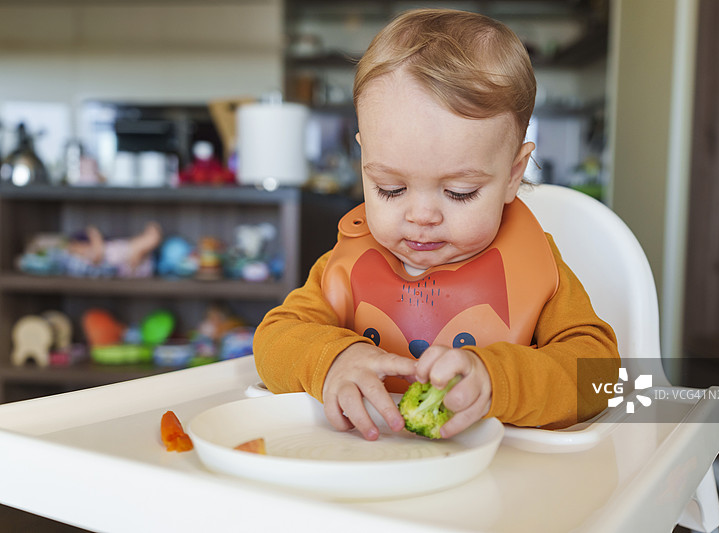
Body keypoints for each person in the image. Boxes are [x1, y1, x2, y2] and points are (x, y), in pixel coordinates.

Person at [254, 8, 619, 441]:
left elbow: (600, 375)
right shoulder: (347, 264)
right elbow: (274, 339)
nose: (421, 216)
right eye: (390, 188)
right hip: (364, 466)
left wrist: (497, 380)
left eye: (459, 192)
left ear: (513, 175)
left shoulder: (536, 267)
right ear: (364, 160)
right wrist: (332, 360)